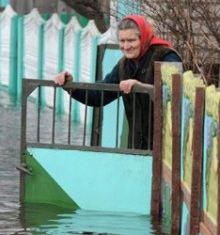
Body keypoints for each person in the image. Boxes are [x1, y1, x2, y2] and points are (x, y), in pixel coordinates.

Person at [54, 15, 182, 149]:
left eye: (131, 40)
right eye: (122, 41)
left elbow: (176, 92)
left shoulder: (165, 56)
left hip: (167, 150)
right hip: (136, 148)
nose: (126, 46)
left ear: (143, 37)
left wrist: (143, 87)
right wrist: (71, 86)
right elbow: (98, 95)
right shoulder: (124, 66)